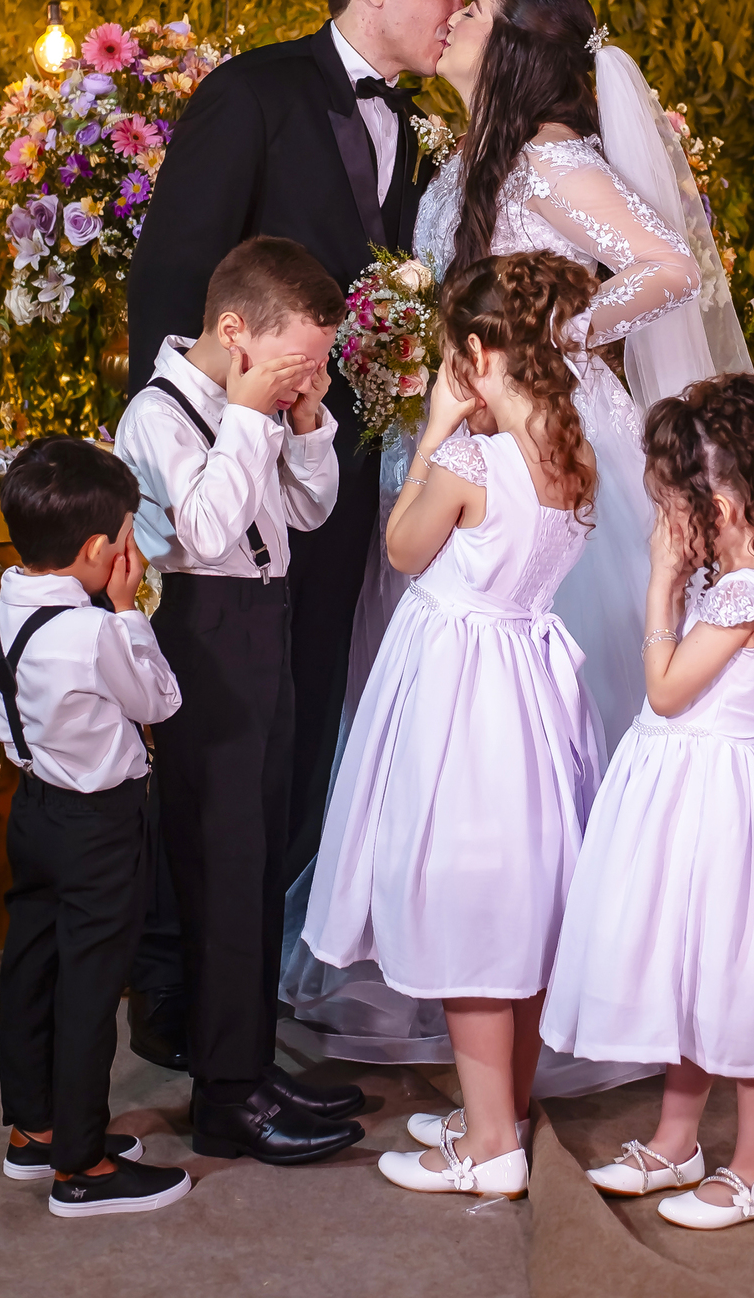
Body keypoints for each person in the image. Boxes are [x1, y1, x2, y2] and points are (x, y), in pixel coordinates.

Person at [289, 0, 754, 1098]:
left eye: (472, 10)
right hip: (463, 439)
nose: (453, 21)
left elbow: (670, 266)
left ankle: (607, 968)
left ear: (520, 50)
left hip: (543, 434)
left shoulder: (555, 162)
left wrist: (555, 337)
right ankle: (479, 952)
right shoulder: (472, 163)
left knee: (574, 703)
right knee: (466, 708)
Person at [128, 0, 470, 891]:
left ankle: (268, 954)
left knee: (312, 700)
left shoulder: (419, 125)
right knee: (221, 724)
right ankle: (180, 981)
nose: (456, 8)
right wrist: (198, 444)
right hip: (232, 477)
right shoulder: (253, 93)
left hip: (350, 463)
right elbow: (172, 278)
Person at [303, 252, 606, 1200]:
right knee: (522, 901)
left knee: (472, 901)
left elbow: (401, 549)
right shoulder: (569, 448)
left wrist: (436, 428)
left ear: (475, 352)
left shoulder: (471, 461)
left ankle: (487, 1149)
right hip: (529, 683)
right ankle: (500, 1114)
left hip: (461, 691)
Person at [542, 374, 754, 1230]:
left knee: (740, 978)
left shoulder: (742, 592)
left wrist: (661, 584)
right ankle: (679, 1141)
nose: (662, 519)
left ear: (719, 498)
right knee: (689, 968)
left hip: (725, 808)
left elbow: (668, 691)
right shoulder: (733, 580)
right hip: (689, 798)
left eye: (671, 501)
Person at [114, 236, 366, 1165]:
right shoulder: (160, 413)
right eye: (302, 356)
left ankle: (251, 1063)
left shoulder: (260, 403)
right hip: (204, 631)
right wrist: (254, 421)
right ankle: (225, 1097)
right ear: (235, 332)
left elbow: (310, 511)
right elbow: (207, 528)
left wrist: (303, 422)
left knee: (261, 857)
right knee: (221, 864)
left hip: (268, 625)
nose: (314, 371)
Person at [0, 437, 191, 1218]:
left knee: (32, 970)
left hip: (34, 811)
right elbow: (159, 702)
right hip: (99, 827)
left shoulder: (0, 615)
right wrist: (130, 610)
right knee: (91, 989)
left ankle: (33, 1132)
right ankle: (83, 1165)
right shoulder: (95, 630)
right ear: (103, 549)